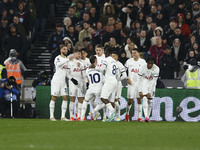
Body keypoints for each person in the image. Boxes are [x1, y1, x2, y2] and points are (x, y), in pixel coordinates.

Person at [94, 47, 120, 122]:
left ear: (106, 53)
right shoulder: (114, 61)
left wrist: (95, 67)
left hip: (109, 81)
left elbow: (102, 69)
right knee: (111, 100)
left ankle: (112, 112)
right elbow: (118, 74)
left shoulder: (106, 60)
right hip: (115, 81)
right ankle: (111, 117)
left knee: (103, 98)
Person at [49, 45, 72, 121]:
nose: (66, 51)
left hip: (63, 82)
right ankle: (51, 116)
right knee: (54, 97)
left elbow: (67, 72)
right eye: (64, 49)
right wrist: (68, 59)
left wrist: (72, 79)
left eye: (66, 49)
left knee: (65, 98)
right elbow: (59, 65)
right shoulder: (58, 58)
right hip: (56, 81)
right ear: (61, 50)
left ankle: (63, 116)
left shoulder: (67, 60)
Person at [124, 48, 146, 122]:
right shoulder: (129, 61)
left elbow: (145, 71)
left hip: (139, 83)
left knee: (139, 99)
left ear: (138, 53)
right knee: (130, 100)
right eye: (132, 53)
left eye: (135, 53)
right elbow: (123, 70)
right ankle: (127, 114)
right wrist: (127, 78)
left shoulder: (143, 62)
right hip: (131, 84)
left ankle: (139, 117)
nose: (134, 54)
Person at [81, 55, 103, 121]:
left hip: (91, 88)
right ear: (96, 61)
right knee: (103, 103)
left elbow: (87, 79)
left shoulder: (87, 70)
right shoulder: (100, 68)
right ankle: (94, 111)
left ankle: (82, 117)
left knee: (85, 101)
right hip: (99, 88)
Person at [138, 56, 160, 122]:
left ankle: (148, 116)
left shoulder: (156, 68)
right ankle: (146, 117)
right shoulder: (142, 67)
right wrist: (140, 90)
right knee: (144, 98)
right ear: (146, 63)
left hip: (152, 84)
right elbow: (139, 79)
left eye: (151, 63)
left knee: (150, 100)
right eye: (149, 63)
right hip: (144, 82)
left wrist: (150, 92)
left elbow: (154, 81)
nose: (150, 65)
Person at [67, 49, 86, 121]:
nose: (79, 55)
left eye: (80, 54)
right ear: (74, 54)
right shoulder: (70, 62)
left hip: (80, 82)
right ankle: (71, 116)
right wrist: (72, 79)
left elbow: (84, 74)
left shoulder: (82, 63)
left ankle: (79, 115)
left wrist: (85, 82)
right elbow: (67, 73)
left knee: (80, 99)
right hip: (72, 82)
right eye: (78, 54)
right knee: (72, 98)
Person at [111, 51, 127, 122]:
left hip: (117, 84)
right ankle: (111, 116)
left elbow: (124, 75)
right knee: (110, 100)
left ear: (117, 56)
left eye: (114, 56)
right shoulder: (110, 64)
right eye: (112, 56)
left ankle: (118, 116)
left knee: (115, 100)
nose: (113, 57)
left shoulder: (120, 64)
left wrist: (117, 80)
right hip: (111, 84)